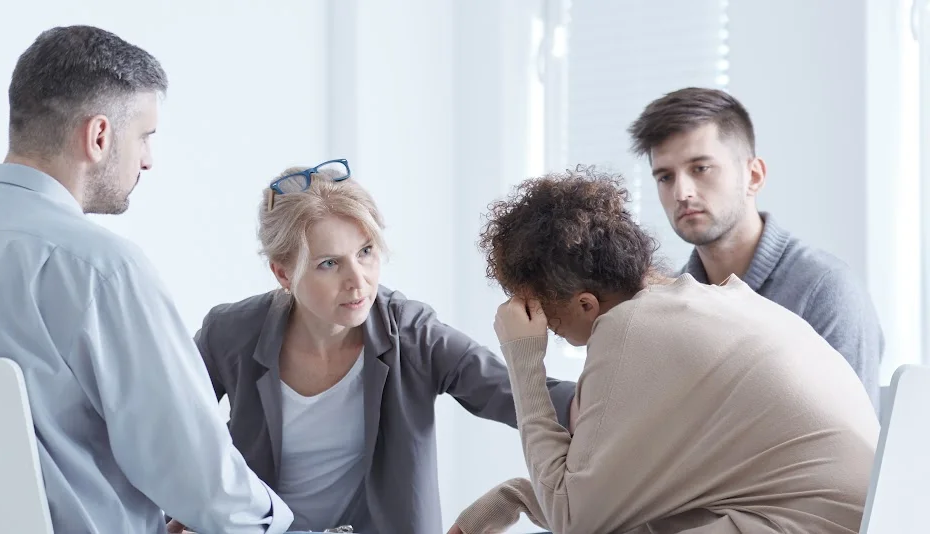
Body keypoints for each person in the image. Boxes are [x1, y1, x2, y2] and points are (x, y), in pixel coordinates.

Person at [0, 26, 294, 534]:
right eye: (145, 136)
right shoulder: (101, 270)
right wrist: (279, 523)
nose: (148, 159)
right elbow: (201, 479)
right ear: (99, 136)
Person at [449, 168, 878, 534]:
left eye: (540, 311)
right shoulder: (707, 305)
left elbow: (575, 521)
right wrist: (512, 497)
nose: (541, 325)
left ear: (585, 304)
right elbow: (619, 502)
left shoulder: (630, 331)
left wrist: (523, 357)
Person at [168, 161, 575, 534]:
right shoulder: (231, 333)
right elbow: (165, 426)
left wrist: (610, 390)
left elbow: (517, 395)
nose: (358, 280)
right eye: (329, 263)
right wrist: (180, 508)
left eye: (365, 252)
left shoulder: (412, 334)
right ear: (283, 274)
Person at [628, 87, 883, 408]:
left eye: (700, 168)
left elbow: (854, 436)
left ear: (753, 175)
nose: (682, 192)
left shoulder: (826, 290)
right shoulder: (670, 301)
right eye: (665, 177)